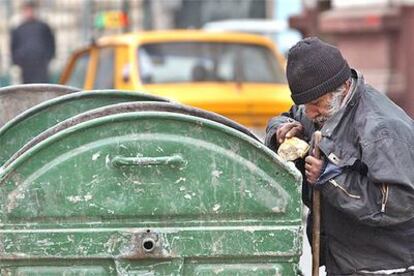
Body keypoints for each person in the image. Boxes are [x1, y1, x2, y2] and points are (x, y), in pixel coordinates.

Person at [265, 37, 414, 275]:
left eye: (315, 104)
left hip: (384, 266)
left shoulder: (381, 130)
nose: (310, 113)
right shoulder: (317, 109)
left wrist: (331, 178)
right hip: (344, 261)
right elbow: (286, 116)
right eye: (304, 105)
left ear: (343, 87)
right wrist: (281, 130)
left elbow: (399, 203)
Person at [10, 0, 55, 83]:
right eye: (27, 10)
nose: (29, 12)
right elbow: (13, 47)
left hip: (41, 65)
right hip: (25, 66)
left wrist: (49, 58)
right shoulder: (18, 29)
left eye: (31, 10)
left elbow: (51, 43)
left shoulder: (43, 27)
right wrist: (17, 62)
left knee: (42, 86)